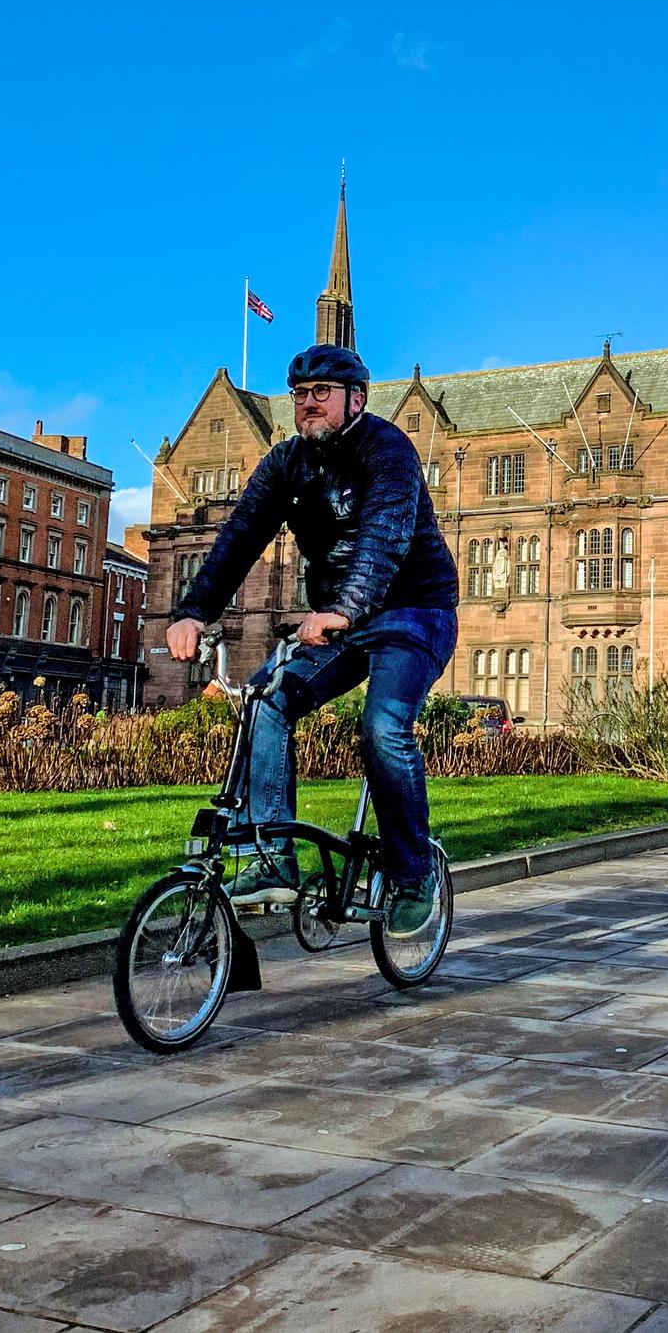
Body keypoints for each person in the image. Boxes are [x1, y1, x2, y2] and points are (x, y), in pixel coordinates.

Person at [165, 344, 459, 931]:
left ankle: (411, 871)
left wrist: (343, 609)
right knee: (264, 701)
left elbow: (384, 539)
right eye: (299, 394)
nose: (307, 404)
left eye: (320, 392)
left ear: (356, 399)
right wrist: (193, 610)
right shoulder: (284, 464)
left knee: (382, 726)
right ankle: (274, 856)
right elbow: (239, 537)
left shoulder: (388, 449)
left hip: (412, 612)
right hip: (339, 618)